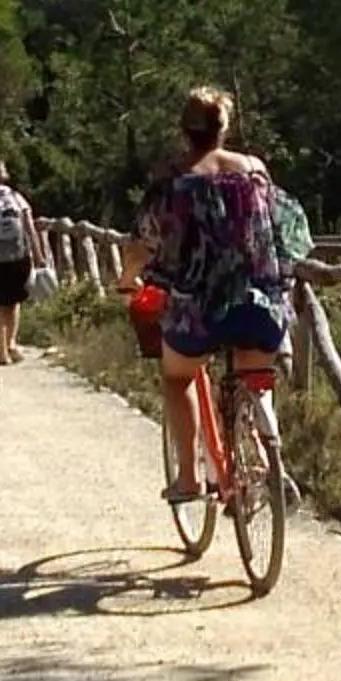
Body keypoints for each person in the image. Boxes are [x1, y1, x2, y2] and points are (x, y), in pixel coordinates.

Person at [139, 87, 289, 501]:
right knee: (253, 375)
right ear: (224, 128)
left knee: (177, 376)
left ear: (183, 130)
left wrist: (129, 277)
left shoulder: (173, 179)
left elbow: (145, 238)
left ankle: (189, 478)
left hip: (198, 312)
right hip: (258, 303)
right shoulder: (255, 170)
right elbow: (281, 227)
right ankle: (260, 455)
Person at [0, 158, 38, 366]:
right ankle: (12, 343)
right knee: (13, 302)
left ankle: (1, 352)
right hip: (18, 256)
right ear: (4, 175)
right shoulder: (16, 197)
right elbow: (29, 228)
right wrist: (38, 255)